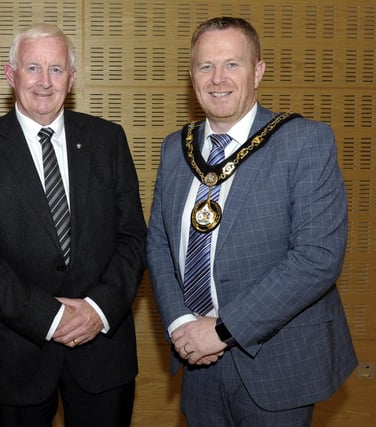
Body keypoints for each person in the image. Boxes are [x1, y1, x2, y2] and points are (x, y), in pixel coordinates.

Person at [146, 16, 357, 426]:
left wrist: (222, 330)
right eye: (205, 66)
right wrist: (181, 324)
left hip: (277, 363)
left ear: (258, 71)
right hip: (198, 363)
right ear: (192, 76)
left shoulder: (304, 141)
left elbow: (317, 258)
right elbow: (158, 244)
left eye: (232, 64)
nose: (217, 78)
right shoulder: (176, 148)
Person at [0, 23, 146, 427]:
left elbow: (132, 238)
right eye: (33, 68)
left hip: (103, 354)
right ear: (11, 74)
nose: (44, 82)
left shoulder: (108, 140)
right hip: (14, 358)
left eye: (57, 70)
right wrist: (50, 317)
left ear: (72, 79)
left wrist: (96, 309)